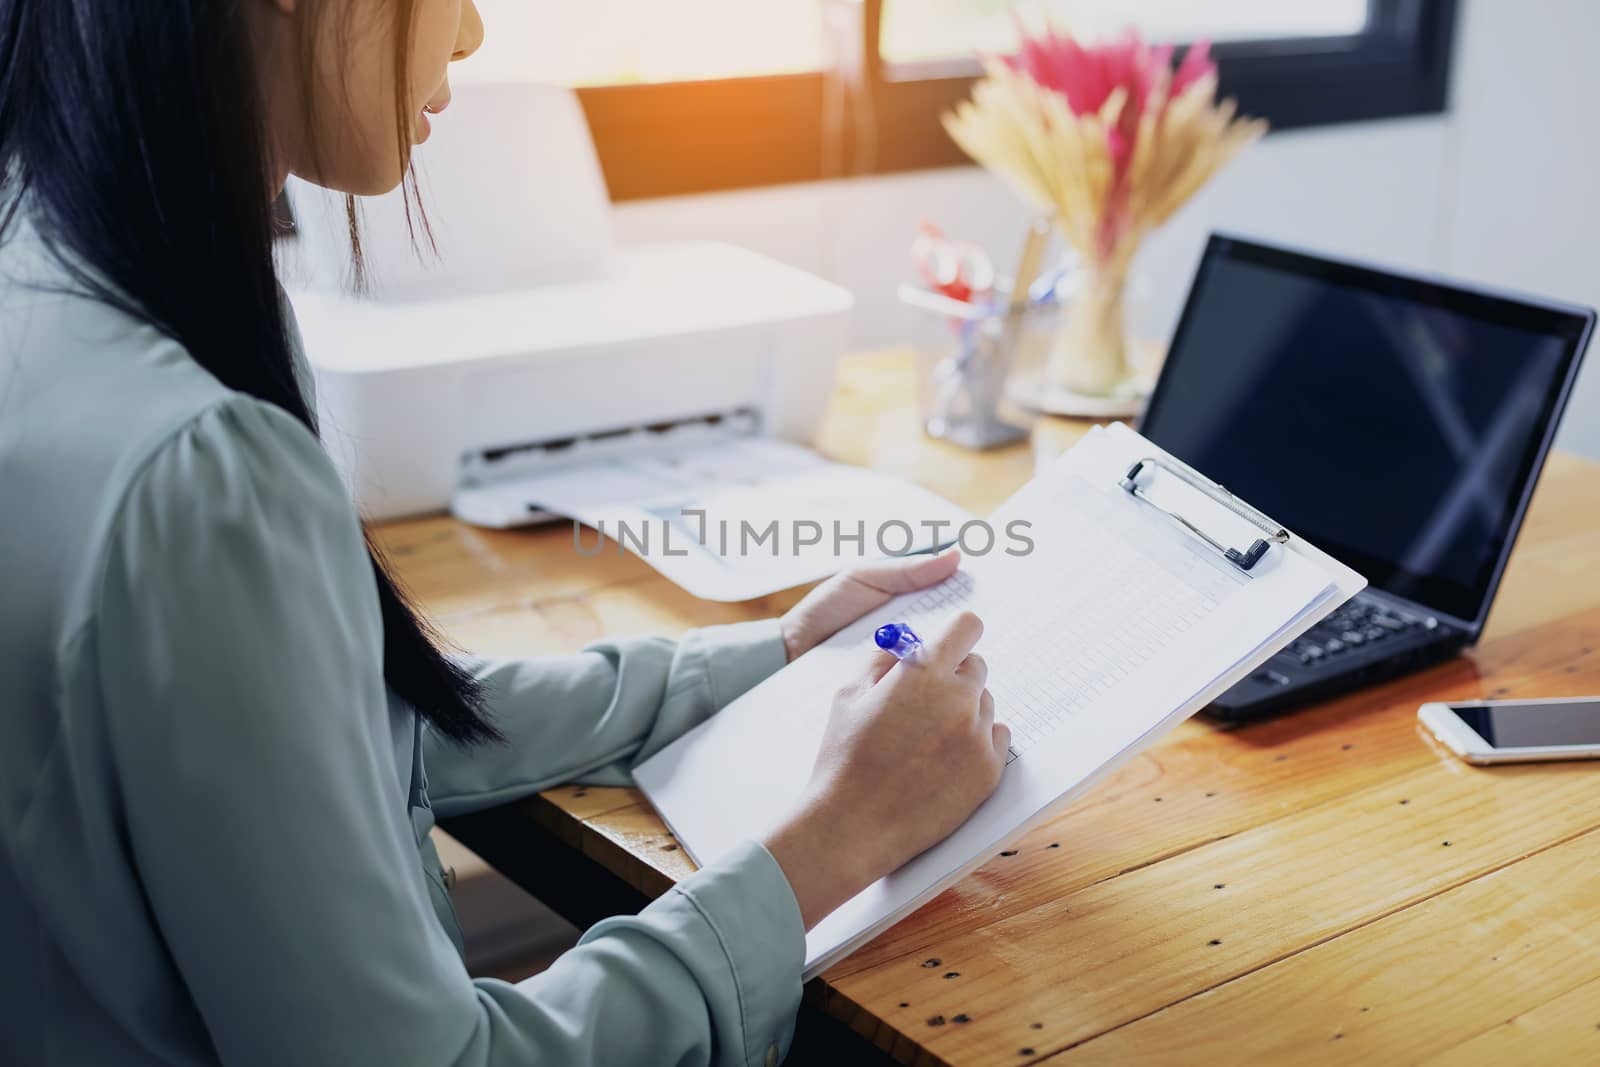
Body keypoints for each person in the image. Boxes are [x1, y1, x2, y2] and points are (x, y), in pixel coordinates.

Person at [0, 1, 1011, 1064]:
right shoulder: (203, 471)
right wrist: (834, 838)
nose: (473, 32)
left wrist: (774, 653)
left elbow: (358, 733)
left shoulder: (57, 281)